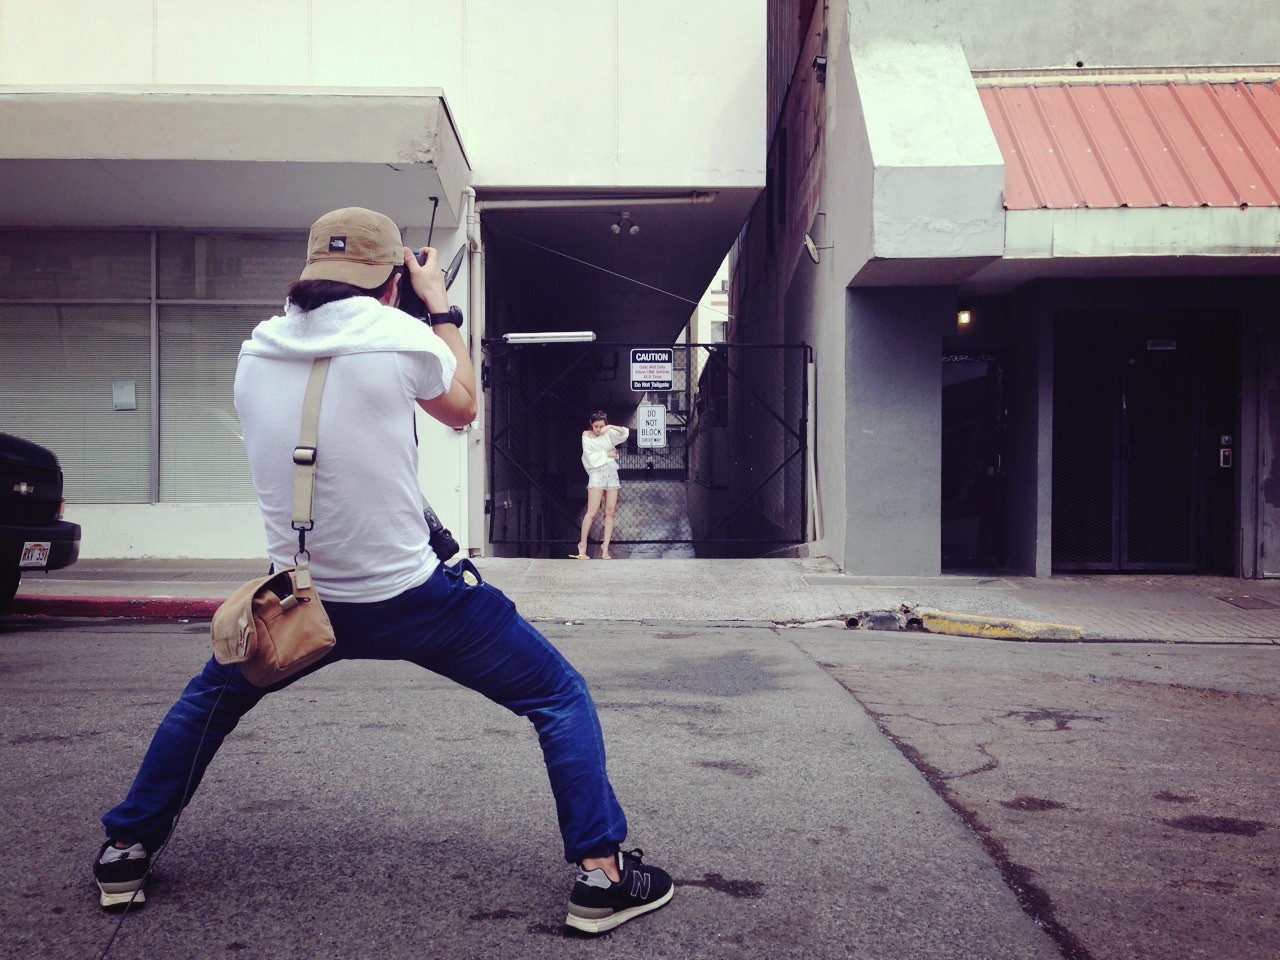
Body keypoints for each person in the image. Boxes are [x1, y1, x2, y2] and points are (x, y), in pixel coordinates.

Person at [92, 207, 673, 935]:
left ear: (309, 274)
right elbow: (462, 408)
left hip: (299, 601)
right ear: (390, 283)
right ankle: (601, 876)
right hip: (415, 599)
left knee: (208, 703)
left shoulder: (256, 351)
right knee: (558, 695)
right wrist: (441, 307)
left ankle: (125, 849)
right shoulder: (401, 336)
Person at [572, 411, 629, 560]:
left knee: (610, 511)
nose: (598, 429)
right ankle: (582, 546)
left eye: (601, 426)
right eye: (596, 426)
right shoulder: (586, 435)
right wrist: (607, 455)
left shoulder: (608, 432)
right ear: (591, 424)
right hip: (597, 474)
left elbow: (624, 433)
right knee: (592, 512)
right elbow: (589, 457)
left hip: (611, 473)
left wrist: (610, 427)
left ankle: (605, 547)